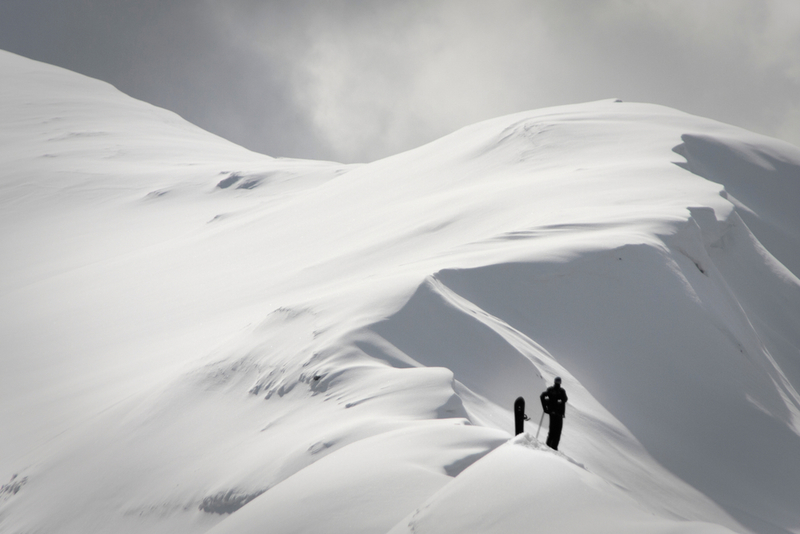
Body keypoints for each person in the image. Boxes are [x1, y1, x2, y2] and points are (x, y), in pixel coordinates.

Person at [540, 377, 568, 450]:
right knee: (557, 432)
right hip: (559, 414)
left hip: (551, 413)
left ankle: (548, 446)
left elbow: (542, 396)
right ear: (560, 382)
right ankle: (554, 448)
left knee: (551, 431)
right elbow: (565, 399)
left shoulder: (550, 390)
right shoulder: (561, 391)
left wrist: (545, 408)